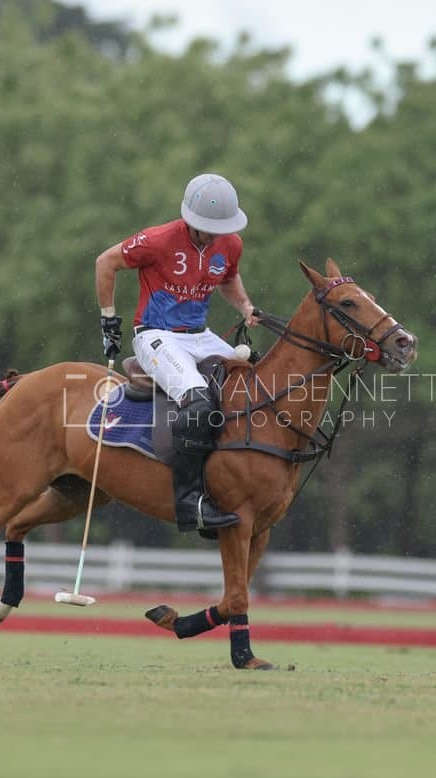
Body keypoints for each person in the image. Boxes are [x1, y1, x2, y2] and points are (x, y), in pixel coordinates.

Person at [94, 173, 258, 535]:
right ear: (190, 219)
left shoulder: (230, 245)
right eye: (207, 229)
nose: (215, 236)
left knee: (252, 384)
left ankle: (231, 482)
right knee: (199, 403)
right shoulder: (158, 240)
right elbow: (106, 262)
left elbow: (228, 278)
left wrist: (246, 307)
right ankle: (190, 503)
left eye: (221, 229)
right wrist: (109, 318)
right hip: (157, 336)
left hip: (201, 337)